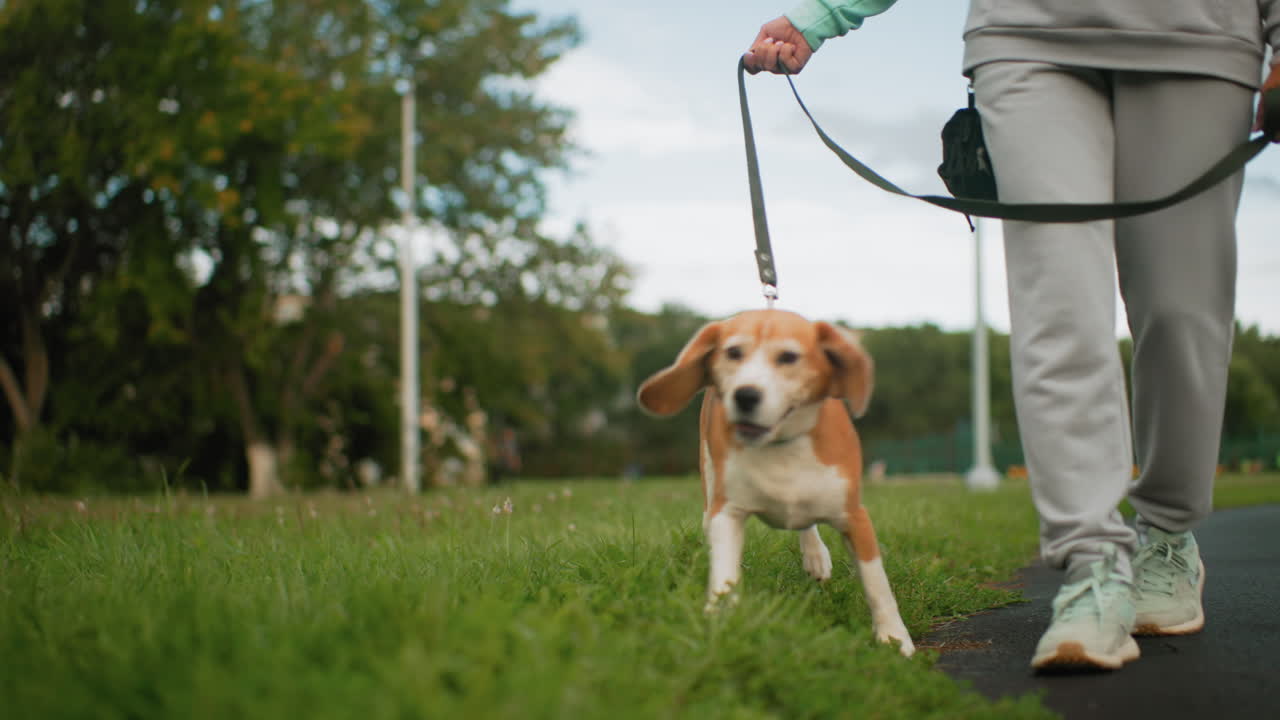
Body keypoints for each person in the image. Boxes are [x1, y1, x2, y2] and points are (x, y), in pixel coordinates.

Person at [744, 1, 1280, 671]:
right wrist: (822, 15)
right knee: (1056, 303)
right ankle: (1092, 563)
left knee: (1181, 309)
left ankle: (1168, 532)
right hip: (1030, 35)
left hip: (1201, 37)